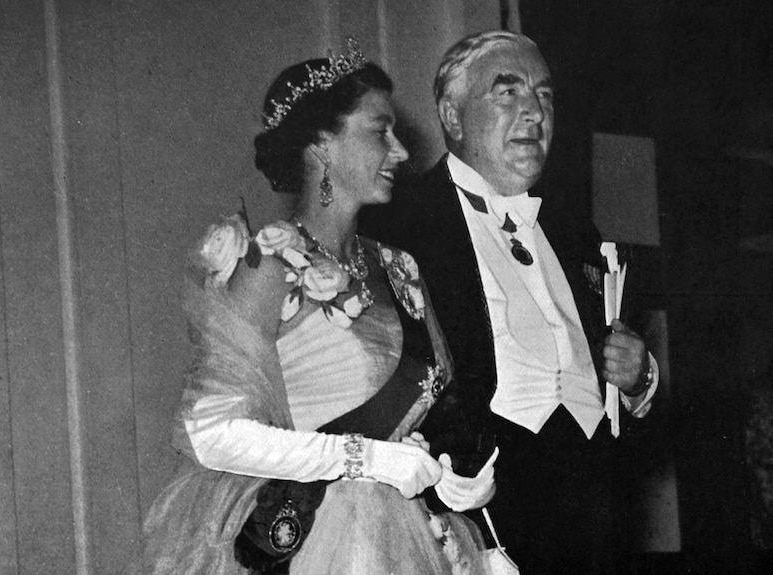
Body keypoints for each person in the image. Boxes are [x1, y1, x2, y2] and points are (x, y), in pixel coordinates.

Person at [141, 40, 500, 574]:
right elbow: (208, 432)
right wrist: (366, 458)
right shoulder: (272, 263)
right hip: (321, 540)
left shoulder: (400, 266)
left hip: (410, 537)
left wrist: (449, 473)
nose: (400, 151)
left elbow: (417, 409)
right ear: (322, 145)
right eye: (381, 131)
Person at [361, 31, 659, 575]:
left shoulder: (575, 228)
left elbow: (612, 363)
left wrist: (640, 378)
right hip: (479, 519)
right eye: (508, 93)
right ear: (452, 118)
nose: (534, 114)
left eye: (544, 96)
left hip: (598, 511)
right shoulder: (399, 229)